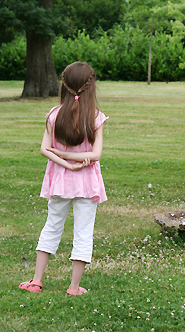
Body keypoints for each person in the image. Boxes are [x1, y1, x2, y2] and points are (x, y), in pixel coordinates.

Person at [19, 62, 108, 295]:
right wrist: (76, 161)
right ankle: (74, 287)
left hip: (60, 180)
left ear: (64, 85)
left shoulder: (53, 115)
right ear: (91, 87)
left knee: (52, 226)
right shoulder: (95, 117)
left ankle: (36, 281)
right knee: (83, 231)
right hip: (87, 182)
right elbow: (96, 155)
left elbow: (45, 149)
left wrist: (65, 159)